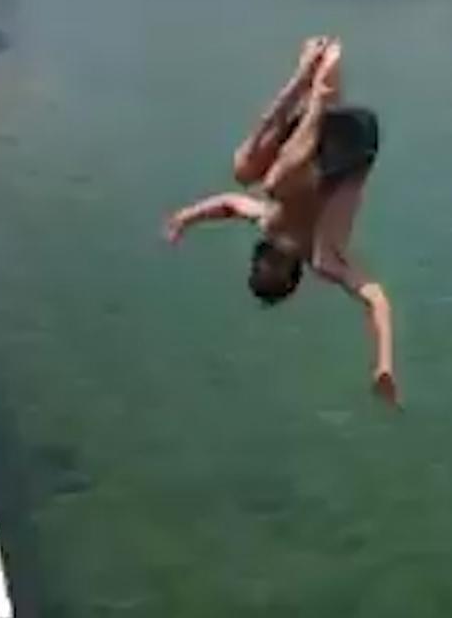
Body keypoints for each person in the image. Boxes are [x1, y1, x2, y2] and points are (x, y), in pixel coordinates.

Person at [164, 37, 398, 406]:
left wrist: (186, 218)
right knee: (273, 183)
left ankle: (304, 84)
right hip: (354, 142)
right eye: (278, 267)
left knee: (243, 170)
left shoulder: (269, 224)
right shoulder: (325, 255)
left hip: (312, 141)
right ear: (292, 273)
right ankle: (317, 94)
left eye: (266, 263)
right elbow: (376, 299)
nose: (274, 259)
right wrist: (384, 364)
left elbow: (229, 204)